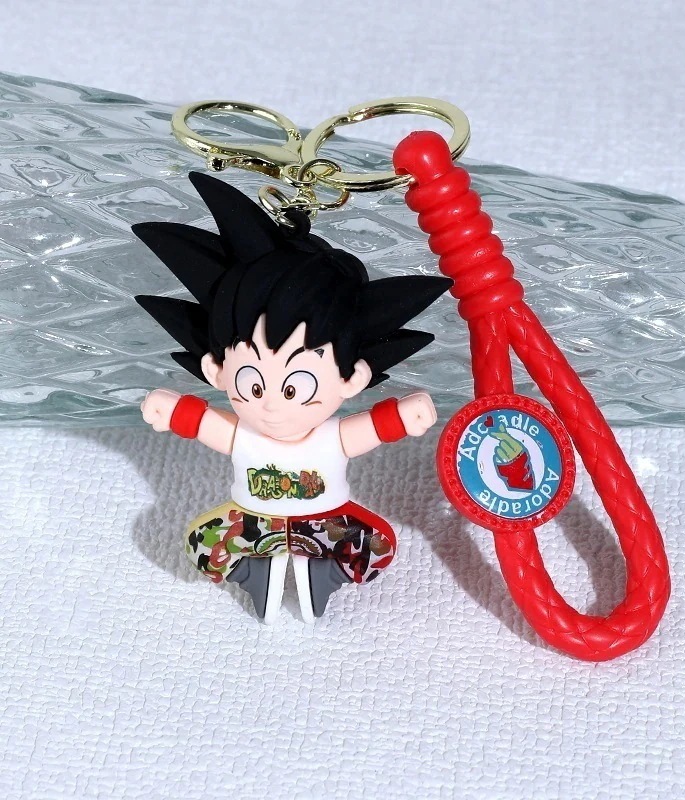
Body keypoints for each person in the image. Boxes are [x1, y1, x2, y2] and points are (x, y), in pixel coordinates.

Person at [133, 172, 451, 623]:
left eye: (293, 388)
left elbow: (371, 430)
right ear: (216, 370)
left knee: (377, 546)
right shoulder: (244, 434)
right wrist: (173, 410)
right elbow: (204, 423)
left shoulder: (330, 437)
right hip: (249, 522)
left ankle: (322, 575)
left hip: (327, 522)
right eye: (253, 385)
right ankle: (252, 574)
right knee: (201, 545)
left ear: (352, 379)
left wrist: (402, 416)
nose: (270, 406)